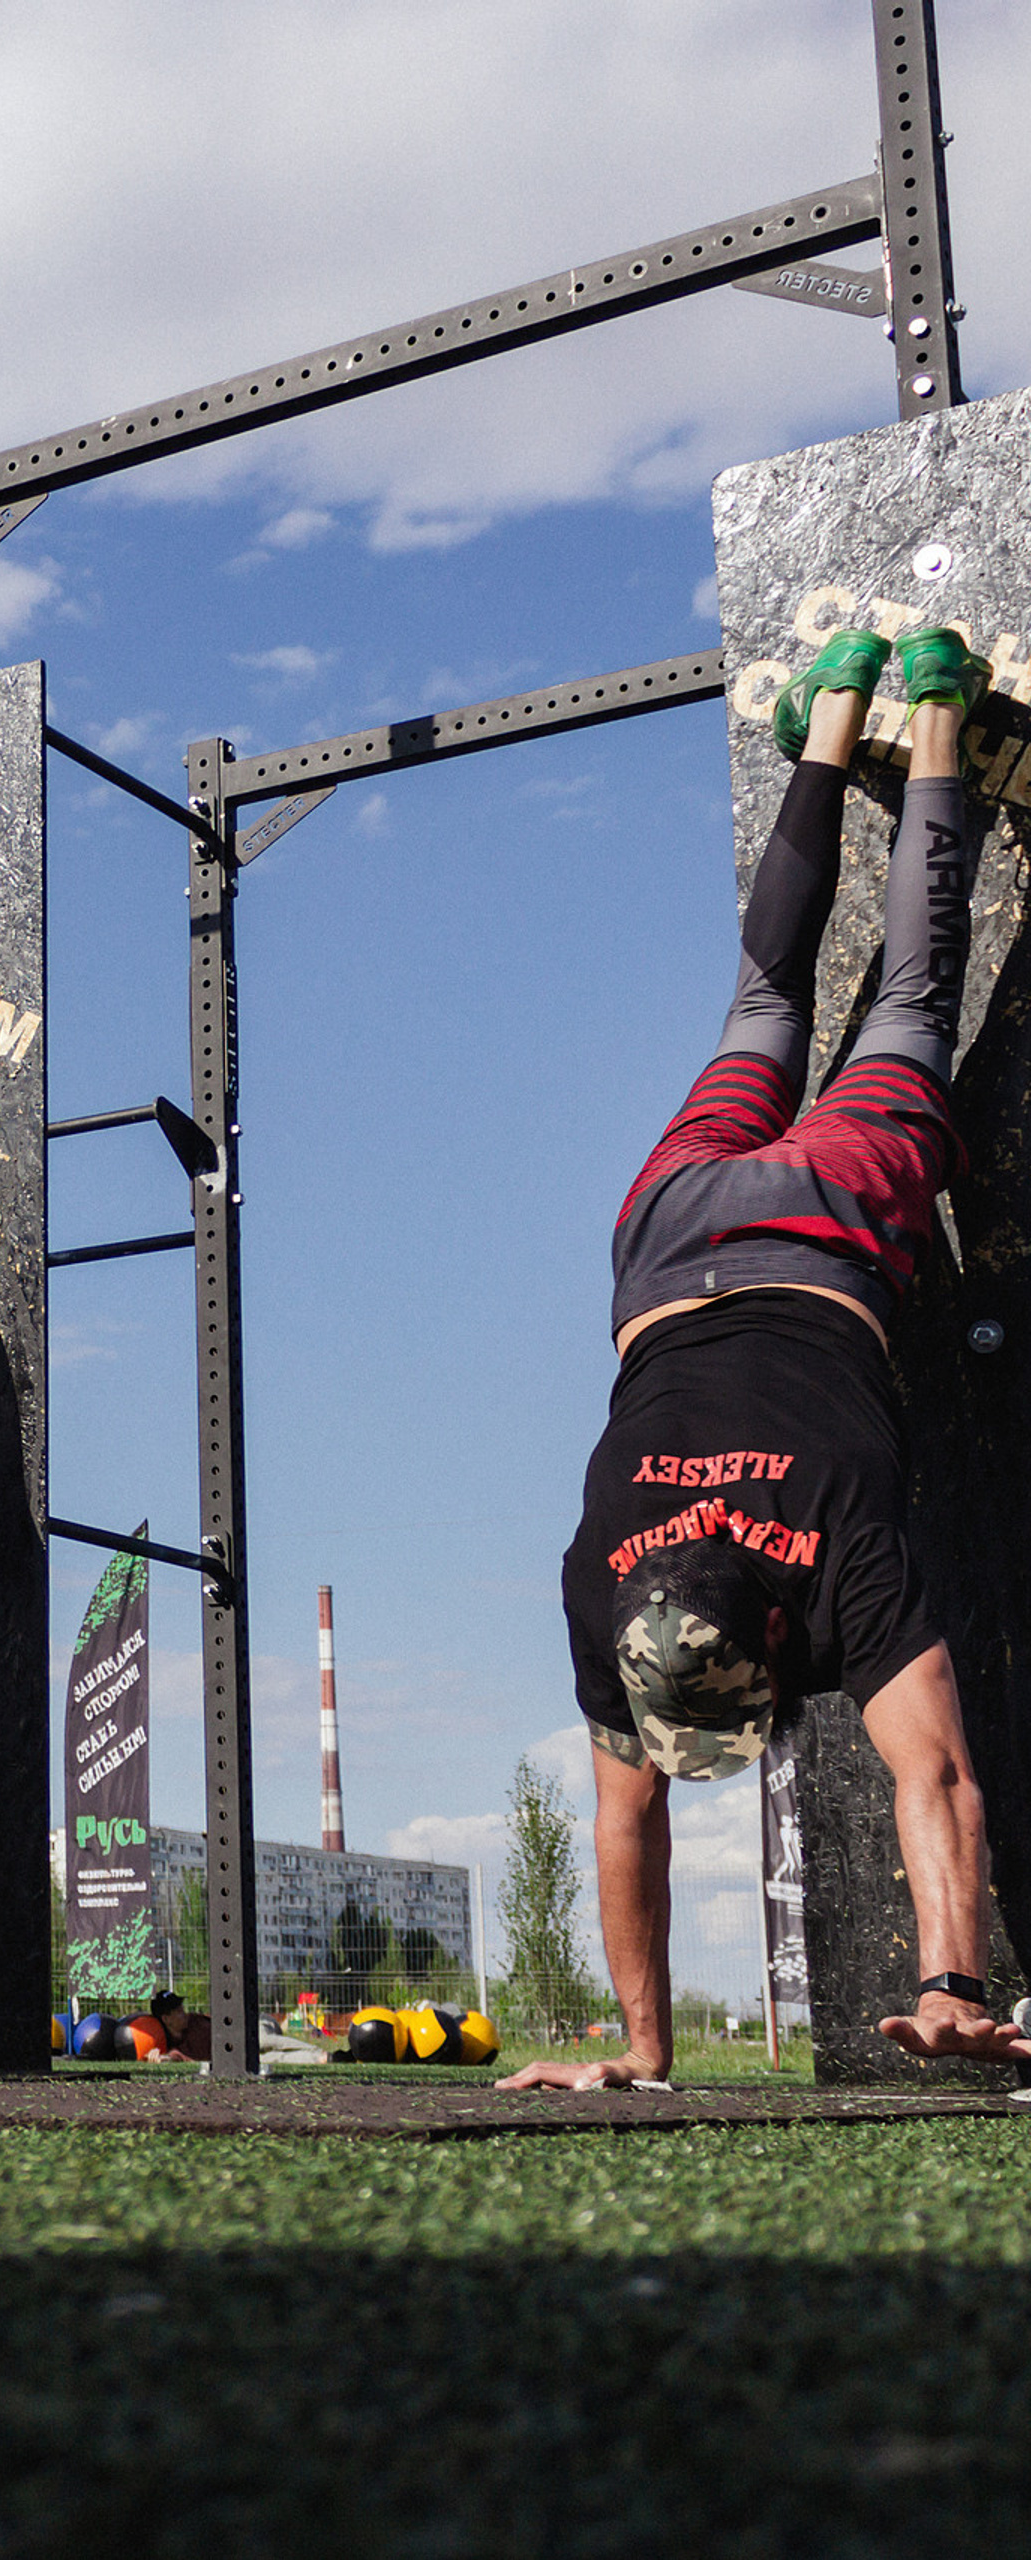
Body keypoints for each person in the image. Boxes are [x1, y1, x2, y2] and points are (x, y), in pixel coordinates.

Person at [507, 625, 1031, 2094]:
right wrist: (644, 2051)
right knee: (763, 1007)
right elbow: (645, 1818)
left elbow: (933, 1774)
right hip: (666, 1236)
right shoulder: (604, 1572)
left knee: (917, 1010)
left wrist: (955, 1983)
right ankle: (830, 715)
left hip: (825, 1223)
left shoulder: (839, 1547)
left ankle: (931, 710)